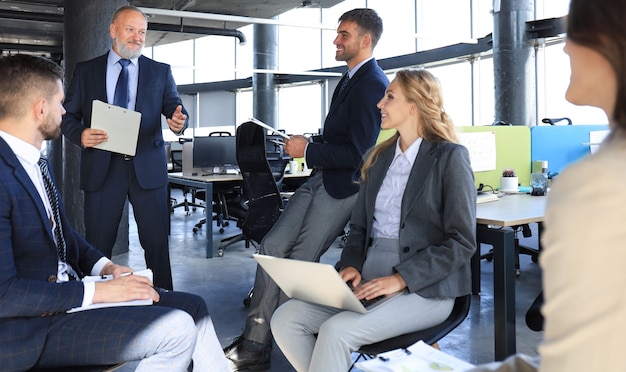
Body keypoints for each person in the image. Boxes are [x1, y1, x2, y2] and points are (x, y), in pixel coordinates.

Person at [0, 54, 230, 372]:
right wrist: (98, 291)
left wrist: (106, 267)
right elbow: (5, 296)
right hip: (31, 331)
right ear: (41, 109)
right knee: (176, 328)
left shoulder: (36, 161)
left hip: (67, 300)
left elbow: (64, 237)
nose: (65, 112)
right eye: (59, 104)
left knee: (194, 307)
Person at [270, 69, 477, 371]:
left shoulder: (449, 157)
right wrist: (351, 264)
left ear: (414, 106)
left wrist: (401, 278)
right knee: (286, 318)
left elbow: (461, 242)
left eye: (389, 97)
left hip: (425, 287)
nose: (380, 104)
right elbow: (359, 228)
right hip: (368, 281)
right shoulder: (377, 158)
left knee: (336, 332)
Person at [224, 8, 389, 371]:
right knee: (272, 246)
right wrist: (307, 143)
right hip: (320, 179)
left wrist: (308, 150)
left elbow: (360, 152)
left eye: (343, 34)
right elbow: (340, 139)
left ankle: (257, 345)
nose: (335, 40)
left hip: (343, 187)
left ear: (364, 40)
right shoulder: (348, 80)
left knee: (299, 259)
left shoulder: (373, 84)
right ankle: (257, 338)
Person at [61, 5, 188, 290]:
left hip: (147, 169)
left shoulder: (160, 72)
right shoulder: (87, 71)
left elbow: (175, 108)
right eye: (130, 30)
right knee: (97, 246)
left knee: (157, 245)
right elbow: (66, 116)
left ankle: (164, 302)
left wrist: (179, 121)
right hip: (103, 169)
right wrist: (80, 134)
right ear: (113, 30)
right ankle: (96, 304)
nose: (137, 37)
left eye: (142, 32)